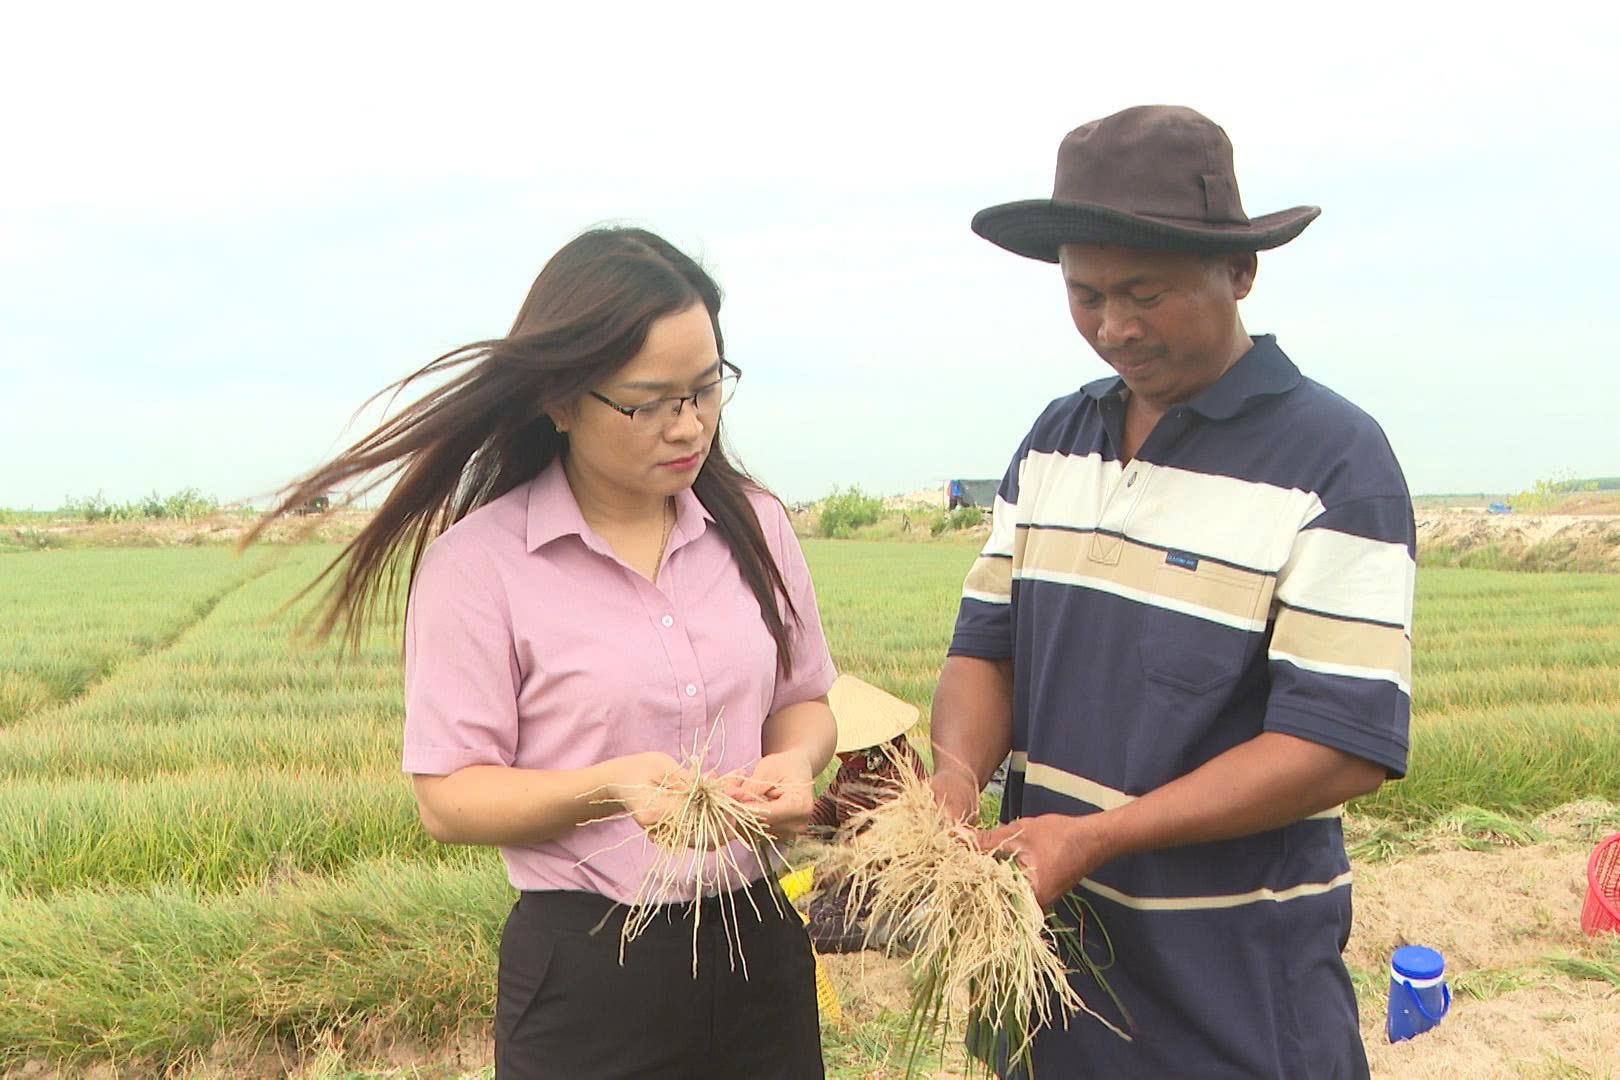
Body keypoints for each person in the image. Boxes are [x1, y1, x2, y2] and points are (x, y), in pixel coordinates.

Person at [250, 227, 838, 1079]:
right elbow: (448, 799)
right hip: (588, 974)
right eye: (650, 402)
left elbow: (807, 699)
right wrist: (609, 789)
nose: (690, 425)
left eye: (708, 390)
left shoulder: (758, 526)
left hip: (760, 948)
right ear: (561, 401)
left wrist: (794, 761)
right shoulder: (479, 566)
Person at [929, 106, 1415, 1078]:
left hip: (1229, 1002)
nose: (1114, 326)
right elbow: (988, 649)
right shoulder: (1059, 439)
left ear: (1240, 273)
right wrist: (948, 790)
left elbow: (1337, 745)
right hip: (1044, 984)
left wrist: (1100, 837)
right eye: (1086, 295)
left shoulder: (1332, 461)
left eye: (1144, 293)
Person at [803, 674, 928, 952]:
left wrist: (840, 861)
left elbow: (887, 837)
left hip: (886, 872)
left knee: (823, 925)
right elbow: (826, 807)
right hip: (851, 867)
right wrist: (797, 831)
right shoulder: (852, 769)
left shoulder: (899, 769)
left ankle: (881, 931)